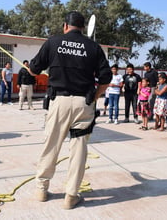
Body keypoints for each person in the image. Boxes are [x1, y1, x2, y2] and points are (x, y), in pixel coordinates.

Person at [28, 11, 112, 210]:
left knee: (51, 145)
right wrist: (96, 97)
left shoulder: (53, 42)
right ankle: (71, 196)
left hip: (59, 103)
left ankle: (41, 189)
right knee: (79, 149)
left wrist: (32, 69)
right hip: (84, 103)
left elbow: (34, 69)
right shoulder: (93, 46)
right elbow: (106, 77)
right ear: (82, 27)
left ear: (65, 26)